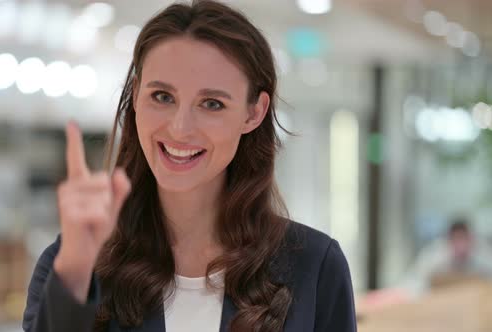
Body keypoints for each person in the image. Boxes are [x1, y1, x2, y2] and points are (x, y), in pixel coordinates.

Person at [22, 1, 356, 331]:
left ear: (253, 113)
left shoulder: (315, 267)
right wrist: (76, 272)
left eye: (212, 104)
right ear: (136, 96)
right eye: (162, 97)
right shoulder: (70, 267)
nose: (180, 128)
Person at [402, 217, 492, 295]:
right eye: (457, 240)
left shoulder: (483, 253)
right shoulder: (435, 254)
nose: (461, 246)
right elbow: (415, 279)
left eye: (464, 239)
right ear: (449, 240)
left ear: (471, 238)